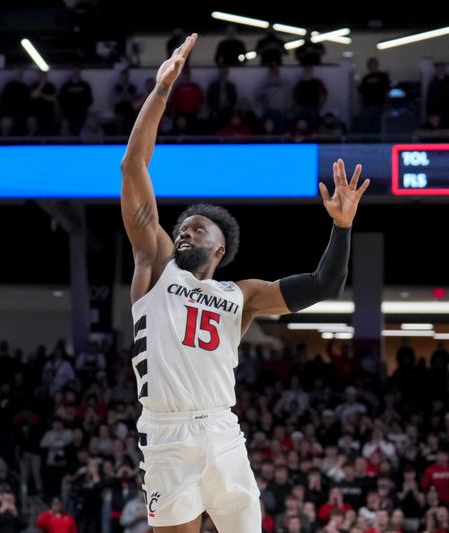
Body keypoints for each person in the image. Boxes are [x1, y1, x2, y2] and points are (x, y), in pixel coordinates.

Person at [120, 33, 369, 533]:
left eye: (198, 228)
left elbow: (325, 284)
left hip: (222, 428)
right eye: (182, 227)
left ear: (219, 248)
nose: (185, 230)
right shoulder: (155, 266)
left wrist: (341, 227)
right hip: (166, 433)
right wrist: (162, 89)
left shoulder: (243, 295)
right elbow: (133, 165)